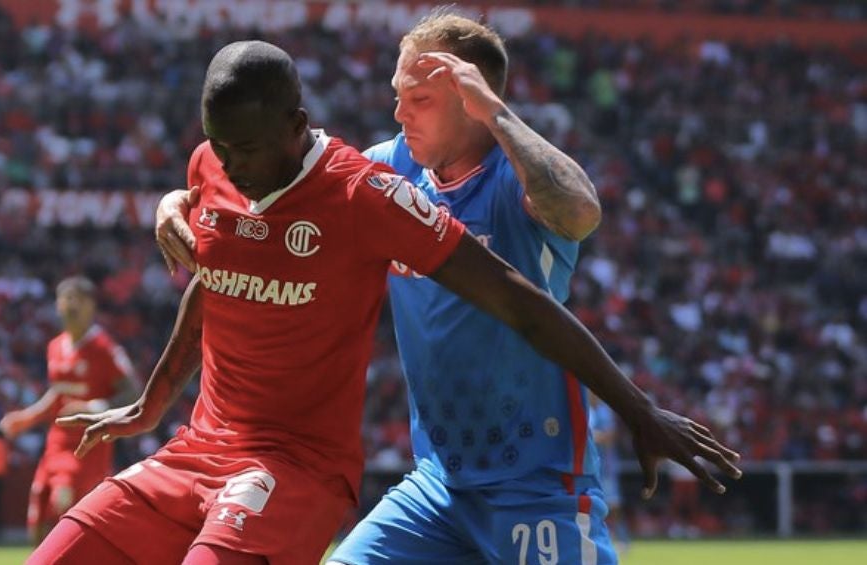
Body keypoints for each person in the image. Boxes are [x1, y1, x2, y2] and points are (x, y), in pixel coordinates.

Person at [38, 39, 739, 565]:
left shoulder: (468, 186)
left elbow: (560, 243)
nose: (399, 112)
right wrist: (172, 204)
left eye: (420, 99)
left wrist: (638, 409)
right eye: (396, 95)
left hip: (532, 479)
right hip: (433, 481)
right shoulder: (386, 163)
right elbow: (220, 261)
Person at [0, 276, 138, 544]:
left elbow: (132, 392)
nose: (71, 304)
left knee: (68, 512)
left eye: (78, 298)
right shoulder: (55, 346)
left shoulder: (104, 348)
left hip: (88, 446)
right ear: (57, 305)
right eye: (66, 298)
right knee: (37, 515)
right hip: (56, 443)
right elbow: (58, 393)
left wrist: (93, 407)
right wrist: (26, 418)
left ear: (92, 307)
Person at [589, 394, 630, 554]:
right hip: (591, 467)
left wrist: (589, 435)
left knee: (613, 506)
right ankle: (600, 540)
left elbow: (609, 436)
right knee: (593, 504)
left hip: (606, 467)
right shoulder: (587, 410)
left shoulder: (604, 411)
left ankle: (623, 539)